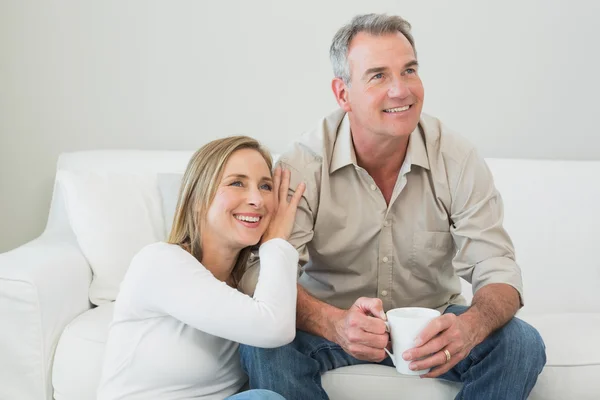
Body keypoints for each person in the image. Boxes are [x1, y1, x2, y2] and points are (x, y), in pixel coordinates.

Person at [238, 13, 546, 400]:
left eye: (409, 71)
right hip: (330, 325)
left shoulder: (458, 158)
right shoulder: (301, 166)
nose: (401, 90)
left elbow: (498, 268)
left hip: (431, 326)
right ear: (343, 93)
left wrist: (472, 324)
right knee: (261, 344)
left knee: (521, 343)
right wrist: (333, 323)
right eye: (378, 76)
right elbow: (260, 276)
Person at [97, 136, 306, 400]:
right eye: (237, 183)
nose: (257, 200)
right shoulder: (160, 262)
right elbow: (275, 328)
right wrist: (277, 242)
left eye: (265, 186)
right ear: (198, 197)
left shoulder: (251, 285)